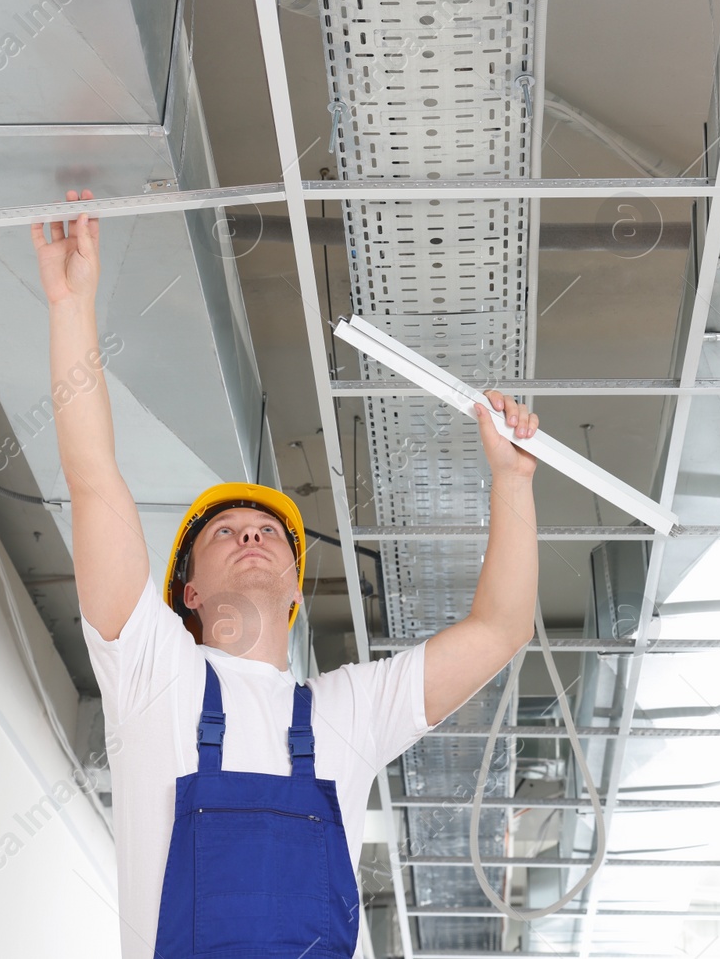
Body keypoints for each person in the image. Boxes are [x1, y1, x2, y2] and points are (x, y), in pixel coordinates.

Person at [32, 190, 540, 959]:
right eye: (227, 532)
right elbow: (95, 478)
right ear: (188, 594)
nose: (252, 535)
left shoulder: (348, 712)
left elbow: (500, 630)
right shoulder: (150, 669)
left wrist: (512, 481)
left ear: (298, 591)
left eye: (270, 531)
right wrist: (71, 305)